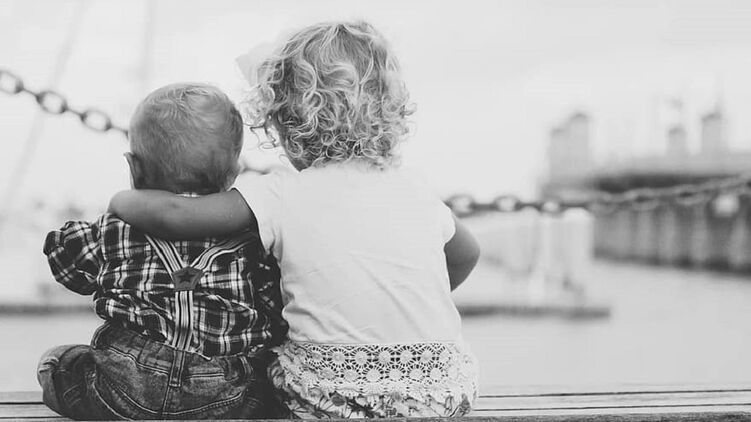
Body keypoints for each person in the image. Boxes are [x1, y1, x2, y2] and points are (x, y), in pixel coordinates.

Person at [109, 21, 480, 418]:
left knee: (257, 364)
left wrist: (122, 200)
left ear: (287, 125)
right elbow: (466, 254)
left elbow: (176, 215)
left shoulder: (282, 192)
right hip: (441, 393)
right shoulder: (414, 188)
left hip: (331, 398)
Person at [39, 83, 287, 420]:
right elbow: (274, 312)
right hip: (222, 397)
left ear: (134, 169)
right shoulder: (253, 243)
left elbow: (66, 266)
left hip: (121, 390)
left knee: (56, 362)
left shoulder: (114, 230)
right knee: (265, 385)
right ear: (233, 174)